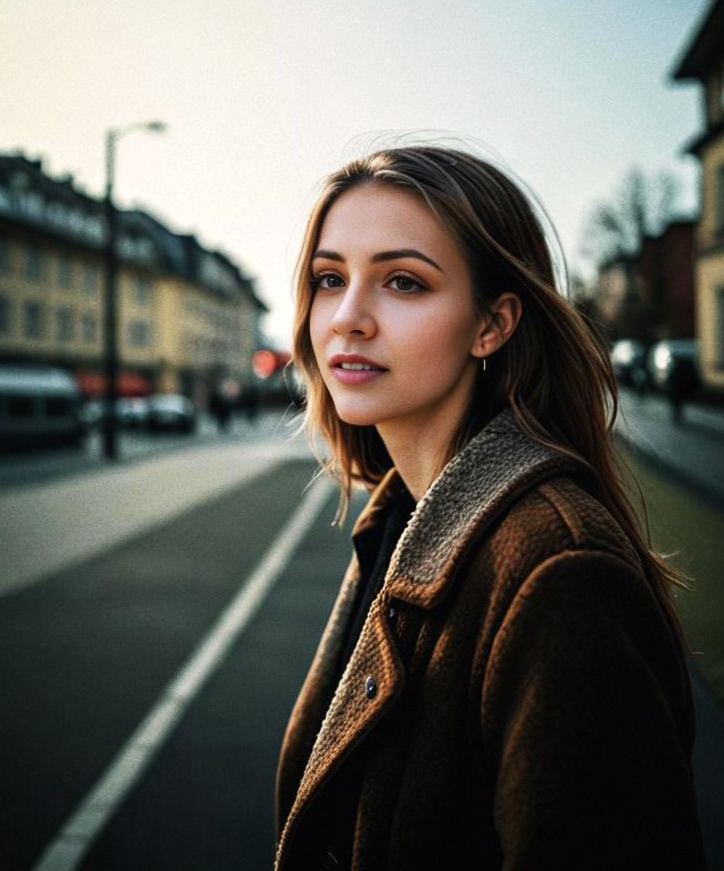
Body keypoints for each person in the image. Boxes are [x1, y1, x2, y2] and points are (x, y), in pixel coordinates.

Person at [275, 145, 704, 870]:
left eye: (403, 281)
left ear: (492, 324)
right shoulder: (394, 516)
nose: (347, 317)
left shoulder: (558, 571)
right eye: (328, 279)